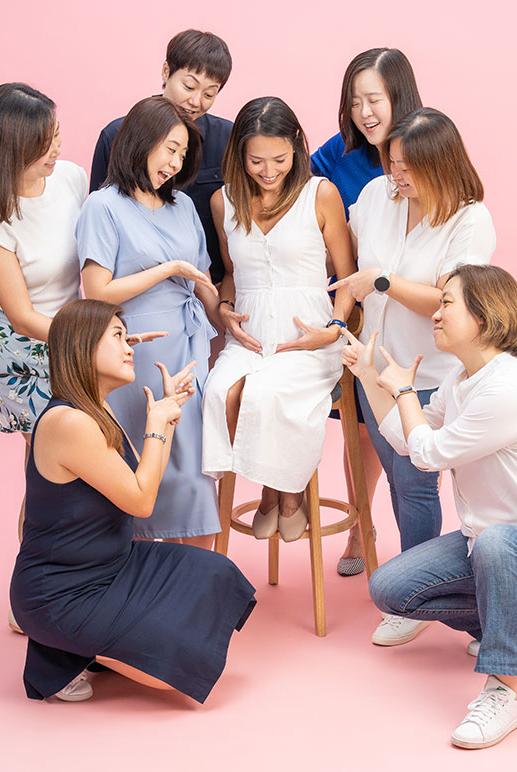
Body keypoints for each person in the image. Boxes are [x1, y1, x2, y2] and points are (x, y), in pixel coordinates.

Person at [341, 265, 517, 749]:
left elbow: (428, 454)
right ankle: (514, 610)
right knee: (389, 589)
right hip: (485, 544)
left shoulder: (506, 389)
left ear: (485, 316)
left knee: (498, 541)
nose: (435, 313)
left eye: (447, 303)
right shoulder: (461, 379)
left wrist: (404, 391)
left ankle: (505, 690)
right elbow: (408, 441)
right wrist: (368, 376)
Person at [10, 299, 256, 703]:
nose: (130, 349)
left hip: (113, 565)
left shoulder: (95, 410)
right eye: (119, 338)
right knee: (174, 669)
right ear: (84, 346)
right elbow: (141, 503)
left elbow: (142, 480)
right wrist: (154, 424)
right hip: (62, 591)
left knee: (217, 572)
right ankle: (66, 648)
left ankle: (85, 644)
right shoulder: (69, 422)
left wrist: (166, 416)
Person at [332, 107, 496, 641]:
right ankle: (425, 592)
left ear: (441, 163)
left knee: (415, 483)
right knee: (399, 481)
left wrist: (382, 281)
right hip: (374, 365)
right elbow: (341, 253)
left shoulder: (469, 219)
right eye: (392, 160)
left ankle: (413, 598)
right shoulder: (376, 196)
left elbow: (453, 300)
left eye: (408, 165)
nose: (395, 173)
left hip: (429, 371)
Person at [0, 82, 86, 630]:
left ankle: (71, 586)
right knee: (50, 477)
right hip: (28, 354)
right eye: (43, 141)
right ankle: (32, 599)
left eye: (56, 133)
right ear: (11, 147)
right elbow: (22, 316)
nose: (56, 148)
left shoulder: (73, 178)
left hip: (78, 341)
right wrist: (95, 337)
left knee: (82, 473)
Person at [201, 97, 355, 541]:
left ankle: (280, 496)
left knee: (269, 392)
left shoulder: (320, 194)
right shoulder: (223, 202)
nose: (268, 171)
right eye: (256, 161)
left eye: (279, 159)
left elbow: (347, 277)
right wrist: (225, 308)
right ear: (239, 155)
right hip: (249, 337)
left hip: (309, 337)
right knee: (218, 394)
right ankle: (283, 492)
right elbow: (231, 273)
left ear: (296, 147)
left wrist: (334, 328)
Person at [79, 96, 220, 549]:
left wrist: (228, 319)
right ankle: (136, 576)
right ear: (141, 141)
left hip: (187, 347)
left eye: (183, 153)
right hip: (133, 352)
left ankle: (197, 581)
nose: (176, 163)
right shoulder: (103, 206)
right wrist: (167, 269)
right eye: (170, 149)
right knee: (137, 465)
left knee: (194, 472)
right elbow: (96, 292)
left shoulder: (182, 206)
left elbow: (201, 279)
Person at [311, 48, 423, 576]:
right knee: (358, 430)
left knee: (410, 432)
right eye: (354, 102)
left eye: (374, 99)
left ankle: (421, 556)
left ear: (399, 95)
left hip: (413, 309)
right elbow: (298, 193)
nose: (364, 113)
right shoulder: (340, 152)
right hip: (353, 311)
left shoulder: (426, 145)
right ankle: (362, 525)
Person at [89, 29, 233, 285]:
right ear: (166, 72)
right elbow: (98, 228)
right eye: (189, 86)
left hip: (210, 286)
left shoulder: (228, 139)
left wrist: (224, 298)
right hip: (133, 290)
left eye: (209, 94)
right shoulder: (117, 135)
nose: (196, 101)